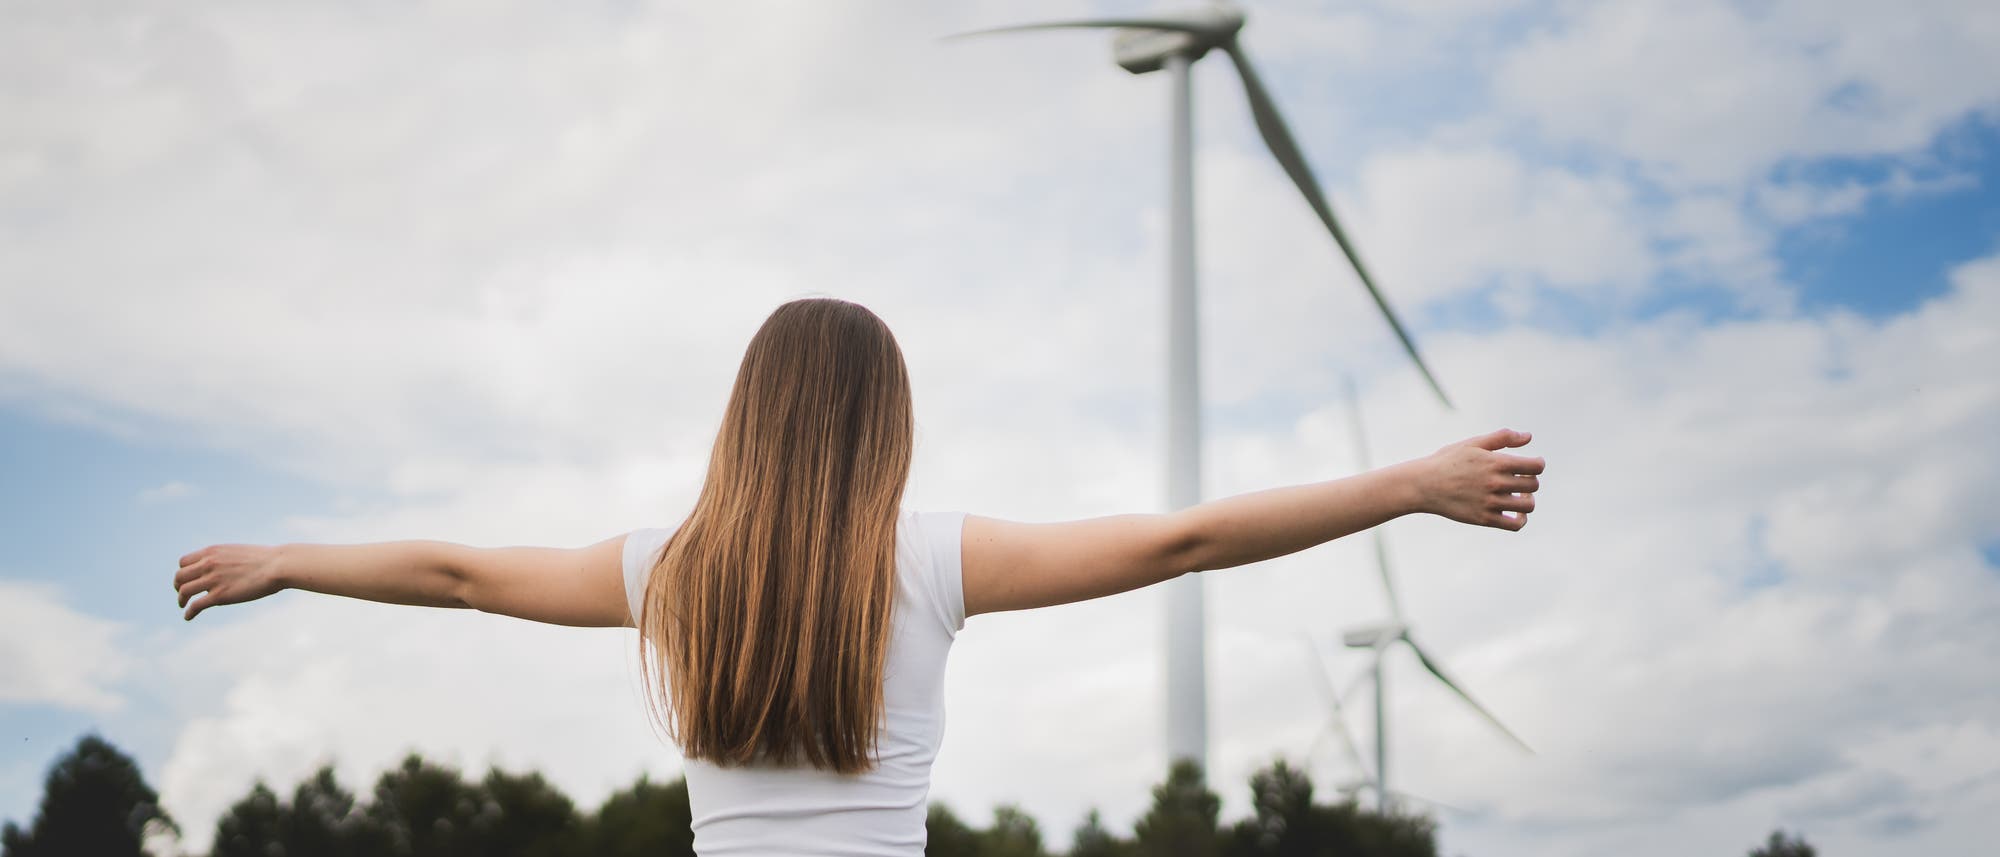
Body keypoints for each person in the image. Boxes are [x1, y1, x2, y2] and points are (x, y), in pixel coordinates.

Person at [171, 296, 1543, 856]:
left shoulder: (669, 569)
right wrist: (1407, 485)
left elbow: (464, 572)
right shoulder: (932, 556)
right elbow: (1180, 538)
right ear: (885, 421)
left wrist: (289, 560)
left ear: (745, 414)